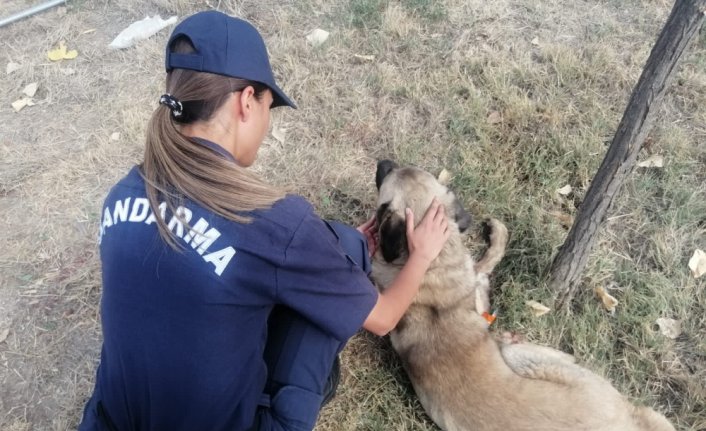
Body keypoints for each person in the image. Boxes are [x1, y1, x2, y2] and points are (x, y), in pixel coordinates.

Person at [78, 10, 449, 431]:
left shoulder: (123, 192)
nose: (267, 123)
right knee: (343, 246)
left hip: (110, 422)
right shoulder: (274, 223)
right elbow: (383, 320)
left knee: (320, 248)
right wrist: (420, 256)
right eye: (269, 106)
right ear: (246, 101)